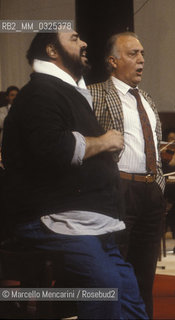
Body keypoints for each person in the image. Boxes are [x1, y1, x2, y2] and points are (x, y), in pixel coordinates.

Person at [0, 31, 147, 319]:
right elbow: (55, 148)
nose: (85, 43)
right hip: (50, 218)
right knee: (106, 284)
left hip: (83, 220)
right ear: (52, 50)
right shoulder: (40, 92)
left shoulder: (65, 91)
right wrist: (105, 141)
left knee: (128, 291)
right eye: (75, 38)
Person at [88, 32, 164, 318]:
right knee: (112, 273)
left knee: (145, 277)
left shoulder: (147, 99)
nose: (141, 59)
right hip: (116, 190)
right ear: (113, 61)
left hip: (150, 192)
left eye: (142, 53)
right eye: (133, 54)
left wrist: (159, 184)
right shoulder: (95, 94)